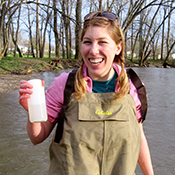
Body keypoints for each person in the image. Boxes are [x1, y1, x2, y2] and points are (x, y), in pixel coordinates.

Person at [19, 11, 154, 175]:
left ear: (118, 47)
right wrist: (33, 112)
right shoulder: (64, 85)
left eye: (102, 42)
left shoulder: (133, 86)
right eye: (87, 42)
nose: (93, 51)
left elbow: (139, 136)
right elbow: (36, 138)